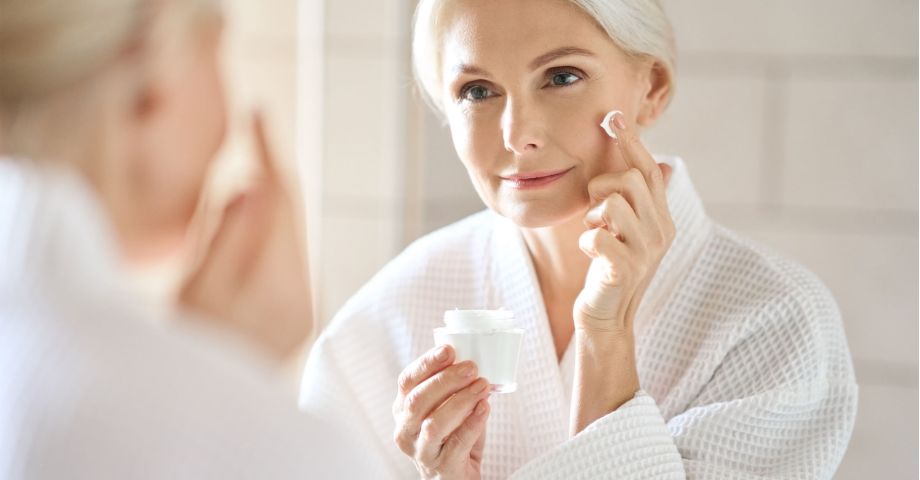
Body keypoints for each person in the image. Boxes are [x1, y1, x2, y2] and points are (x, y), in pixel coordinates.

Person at [300, 0, 858, 478]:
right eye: (478, 90)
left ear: (652, 87)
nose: (518, 135)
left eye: (562, 77)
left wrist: (605, 336)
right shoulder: (389, 315)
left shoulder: (774, 322)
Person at [0, 0, 366, 477]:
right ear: (148, 69)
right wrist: (226, 389)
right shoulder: (283, 453)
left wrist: (209, 353)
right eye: (216, 48)